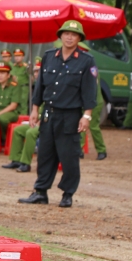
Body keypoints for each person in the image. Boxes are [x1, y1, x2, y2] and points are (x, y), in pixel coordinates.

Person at [18, 21, 98, 208]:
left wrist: (86, 116)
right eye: (66, 33)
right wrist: (35, 109)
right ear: (60, 36)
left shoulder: (86, 61)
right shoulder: (49, 57)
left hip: (70, 115)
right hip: (49, 114)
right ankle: (40, 191)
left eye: (74, 34)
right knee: (45, 154)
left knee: (68, 156)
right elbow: (40, 86)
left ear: (79, 38)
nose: (69, 37)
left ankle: (67, 194)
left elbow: (89, 91)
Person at [3, 59, 42, 172]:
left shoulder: (49, 87)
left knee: (31, 132)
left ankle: (26, 163)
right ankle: (16, 160)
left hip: (48, 122)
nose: (35, 74)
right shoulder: (38, 87)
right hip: (38, 121)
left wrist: (42, 120)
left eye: (38, 72)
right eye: (34, 72)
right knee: (18, 130)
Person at [0, 61, 24, 143]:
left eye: (3, 73)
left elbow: (13, 106)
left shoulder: (15, 86)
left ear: (8, 75)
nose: (0, 76)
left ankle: (5, 138)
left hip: (11, 112)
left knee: (2, 118)